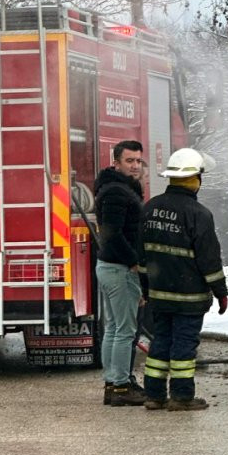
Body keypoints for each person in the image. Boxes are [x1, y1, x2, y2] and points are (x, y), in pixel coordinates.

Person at [139, 148, 228, 411]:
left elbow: (142, 256)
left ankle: (154, 396)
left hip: (159, 294)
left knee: (161, 341)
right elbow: (209, 260)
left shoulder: (151, 207)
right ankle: (181, 396)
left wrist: (147, 289)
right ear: (195, 179)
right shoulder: (199, 214)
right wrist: (220, 291)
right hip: (189, 297)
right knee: (184, 346)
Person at [94, 140, 147, 407]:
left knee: (114, 329)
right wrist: (134, 262)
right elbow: (112, 234)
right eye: (130, 161)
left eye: (139, 161)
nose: (135, 166)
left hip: (109, 267)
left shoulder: (117, 188)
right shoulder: (116, 192)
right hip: (119, 268)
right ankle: (120, 387)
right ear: (116, 162)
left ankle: (114, 382)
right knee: (124, 331)